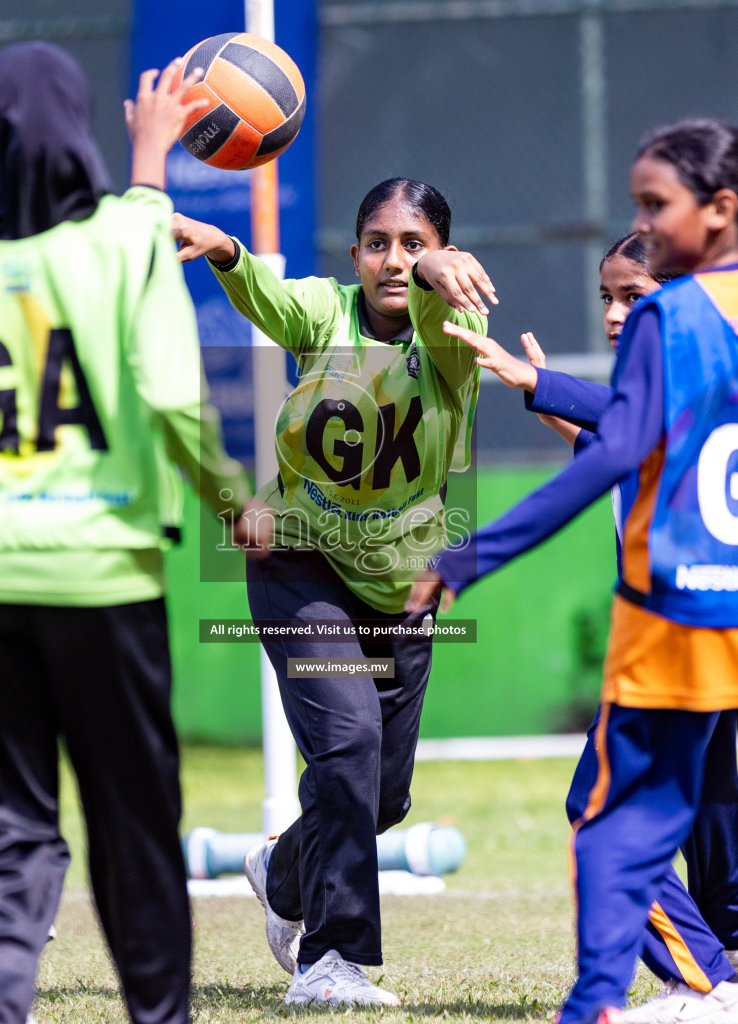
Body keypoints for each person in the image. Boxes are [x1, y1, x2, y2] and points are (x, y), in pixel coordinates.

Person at [410, 118, 738, 1024]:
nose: (644, 224)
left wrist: (472, 554)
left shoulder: (671, 317)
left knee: (605, 820)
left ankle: (687, 991)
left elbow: (612, 452)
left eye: (655, 206)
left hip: (684, 621)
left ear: (719, 210)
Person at [0, 44, 263, 1024]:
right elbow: (176, 402)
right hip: (104, 583)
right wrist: (235, 505)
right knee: (133, 824)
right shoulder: (124, 247)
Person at [173, 178, 492, 1006]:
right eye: (378, 243)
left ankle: (280, 869)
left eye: (415, 243)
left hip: (403, 584)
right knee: (347, 745)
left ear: (444, 256)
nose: (395, 259)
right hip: (299, 562)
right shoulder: (327, 311)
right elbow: (274, 301)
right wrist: (228, 255)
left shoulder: (456, 326)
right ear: (354, 256)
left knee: (381, 796)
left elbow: (434, 314)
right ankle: (331, 961)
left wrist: (436, 276)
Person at [470, 234, 738, 1023]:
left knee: (602, 809)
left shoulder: (703, 367)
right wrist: (557, 404)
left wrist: (538, 380)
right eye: (607, 297)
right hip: (712, 631)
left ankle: (713, 984)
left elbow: (641, 422)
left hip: (683, 633)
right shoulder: (670, 375)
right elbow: (627, 443)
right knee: (709, 789)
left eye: (633, 296)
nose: (615, 314)